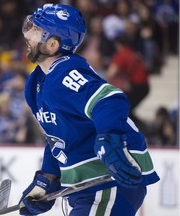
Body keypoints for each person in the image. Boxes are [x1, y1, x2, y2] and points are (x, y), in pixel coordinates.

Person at [18, 4, 160, 216]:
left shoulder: (65, 72)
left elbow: (110, 99)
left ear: (52, 44)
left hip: (108, 184)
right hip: (87, 189)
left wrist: (111, 139)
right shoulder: (36, 82)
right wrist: (47, 178)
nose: (27, 35)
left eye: (35, 31)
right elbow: (57, 136)